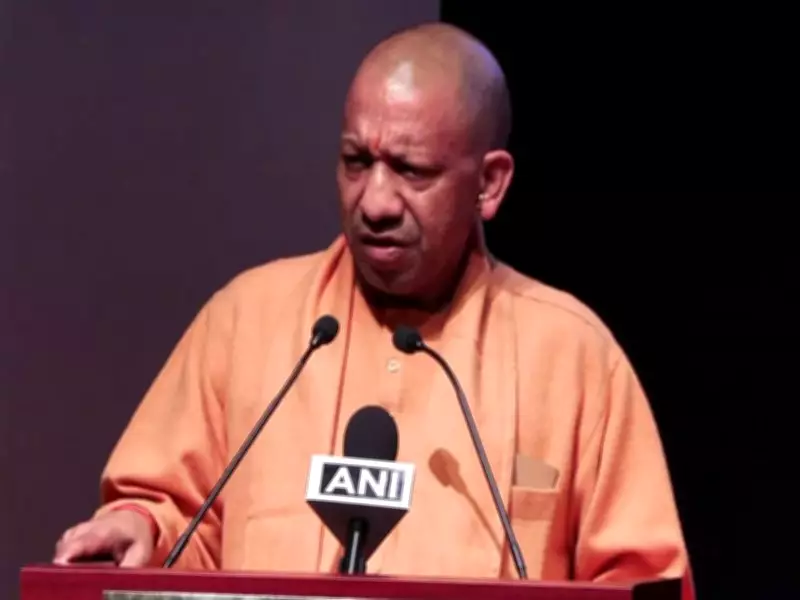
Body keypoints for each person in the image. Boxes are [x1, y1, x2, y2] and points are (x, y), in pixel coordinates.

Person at [53, 22, 694, 598]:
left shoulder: (572, 355)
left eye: (411, 171)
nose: (375, 202)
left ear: (489, 183)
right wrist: (139, 527)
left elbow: (641, 581)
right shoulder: (246, 322)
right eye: (356, 162)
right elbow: (170, 520)